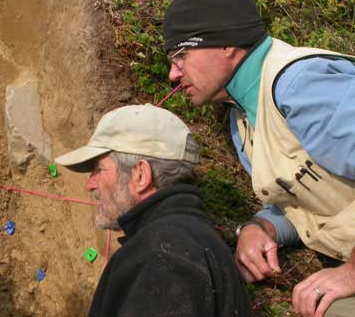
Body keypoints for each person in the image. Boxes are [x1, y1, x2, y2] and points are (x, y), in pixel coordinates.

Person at [162, 0, 355, 317]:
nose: (173, 75)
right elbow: (304, 201)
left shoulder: (299, 87)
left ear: (227, 43)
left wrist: (351, 272)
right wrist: (260, 227)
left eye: (181, 55)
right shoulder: (243, 121)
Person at [55, 104, 250, 317]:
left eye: (98, 169)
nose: (90, 184)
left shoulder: (164, 256)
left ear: (140, 175)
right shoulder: (189, 241)